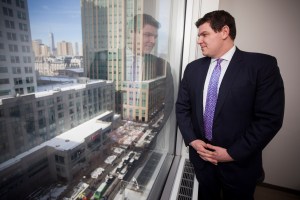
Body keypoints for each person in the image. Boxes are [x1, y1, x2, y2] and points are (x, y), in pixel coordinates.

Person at [175, 10, 284, 200]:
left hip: (239, 166)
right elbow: (182, 108)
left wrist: (231, 154)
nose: (199, 40)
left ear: (224, 31)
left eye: (204, 34)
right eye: (199, 36)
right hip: (202, 162)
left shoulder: (261, 66)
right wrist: (192, 140)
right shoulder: (192, 69)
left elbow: (269, 119)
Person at [124, 14, 174, 126]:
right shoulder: (106, 60)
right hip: (109, 138)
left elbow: (168, 104)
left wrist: (150, 129)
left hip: (146, 136)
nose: (152, 41)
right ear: (132, 34)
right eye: (147, 35)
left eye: (155, 37)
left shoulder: (162, 65)